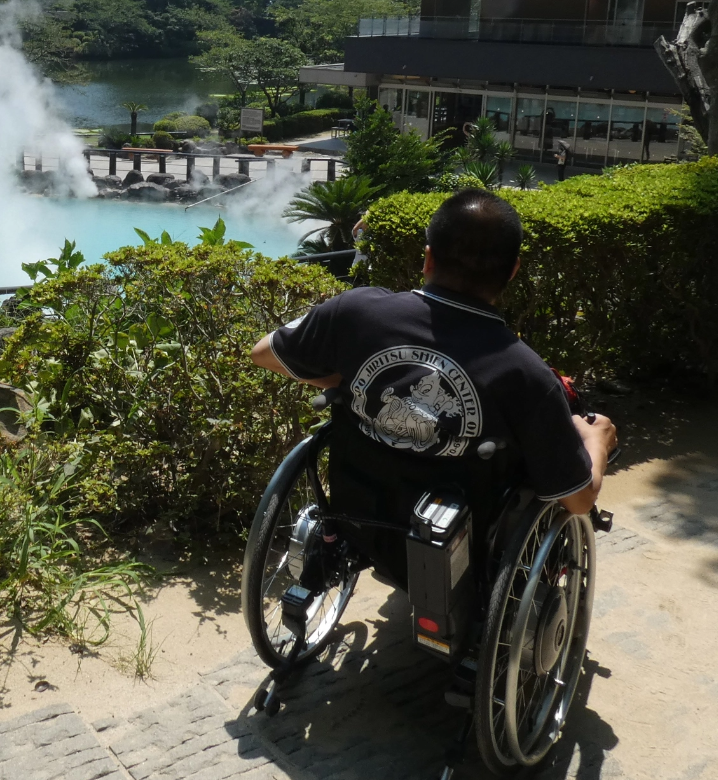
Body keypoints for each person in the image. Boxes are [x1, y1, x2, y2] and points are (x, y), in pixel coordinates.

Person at [252, 190, 615, 565]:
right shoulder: (526, 374)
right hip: (458, 553)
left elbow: (262, 353)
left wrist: (351, 382)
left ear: (427, 259)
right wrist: (596, 440)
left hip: (358, 518)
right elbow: (578, 499)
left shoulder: (357, 312)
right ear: (512, 271)